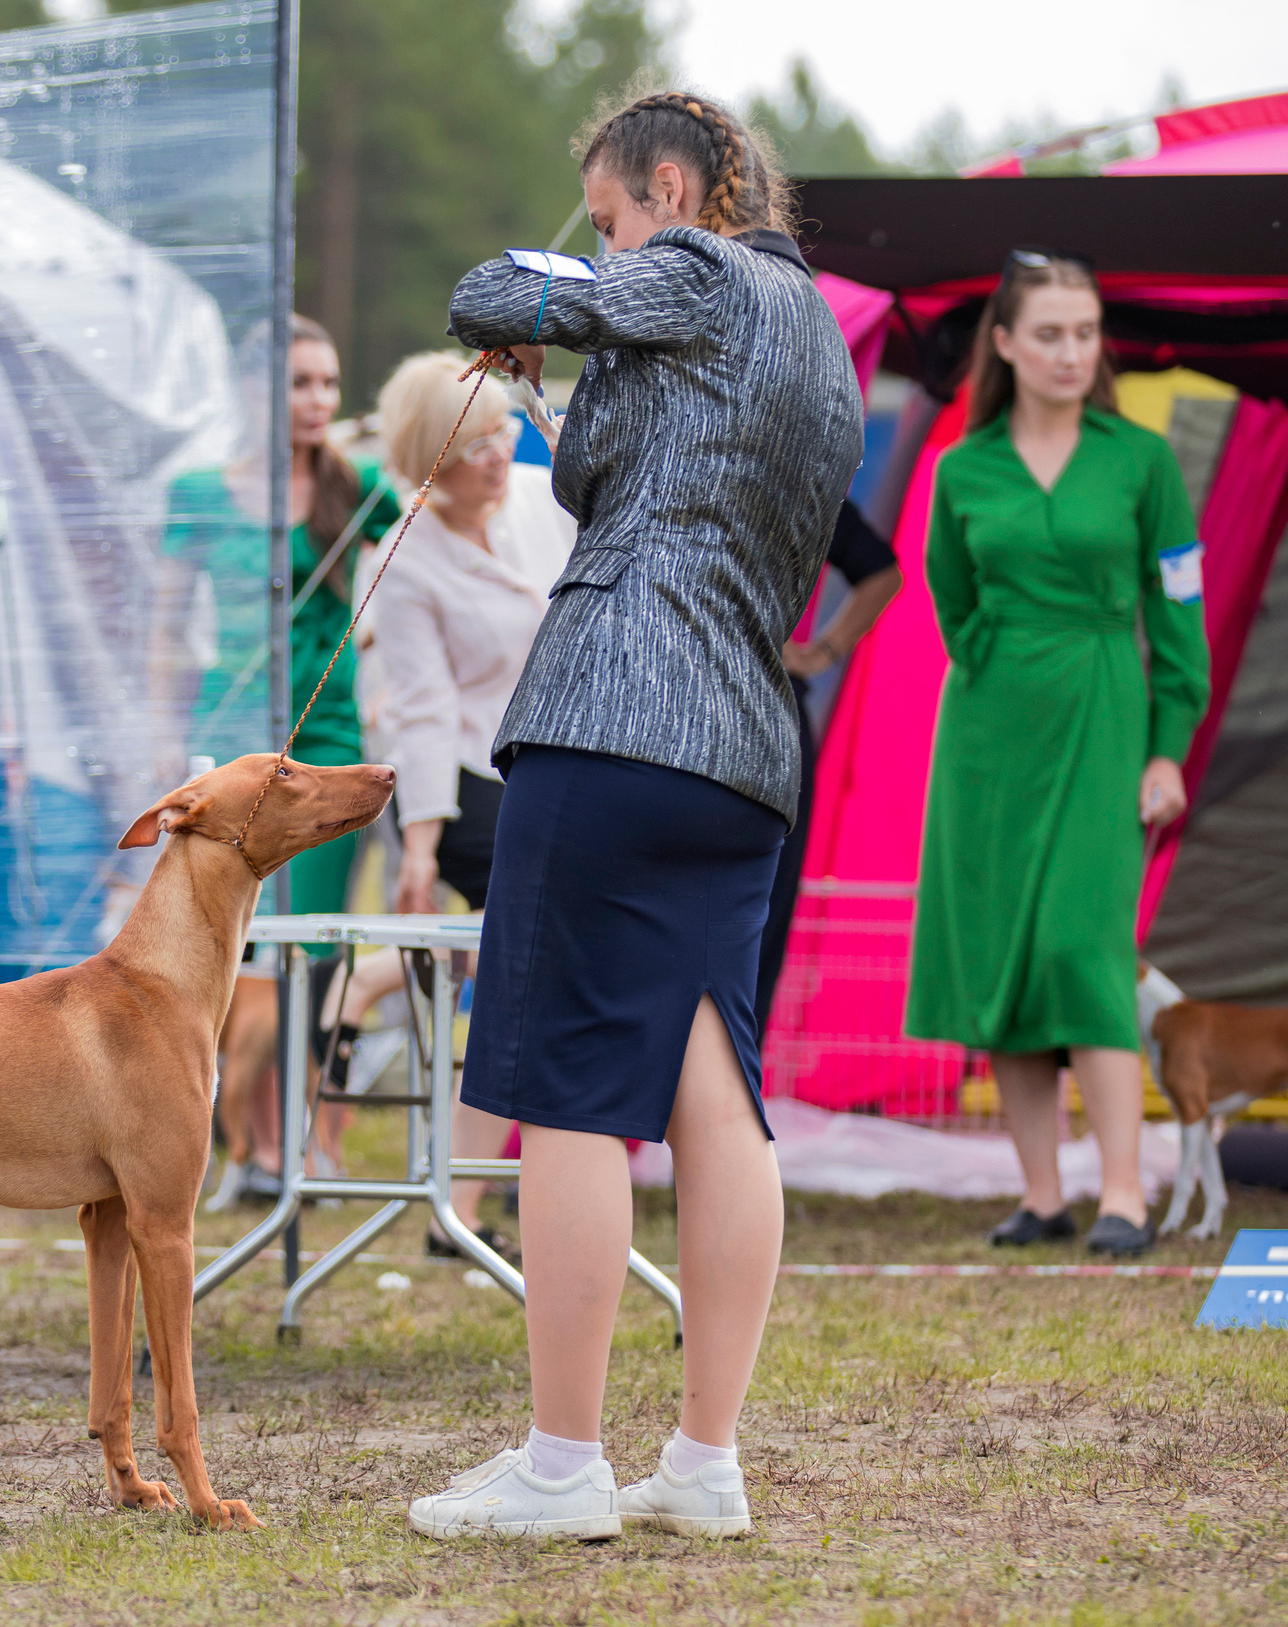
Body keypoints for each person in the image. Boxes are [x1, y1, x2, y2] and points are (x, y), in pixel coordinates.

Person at [406, 89, 863, 1543]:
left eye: (608, 219)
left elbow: (493, 288)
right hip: (743, 743)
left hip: (610, 717)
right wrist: (566, 378)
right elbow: (648, 467)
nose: (605, 246)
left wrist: (547, 299)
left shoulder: (703, 269)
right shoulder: (828, 354)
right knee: (714, 1090)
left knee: (569, 1095)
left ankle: (558, 1466)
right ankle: (704, 1462)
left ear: (671, 187)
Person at [905, 248, 1207, 1258]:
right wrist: (996, 668)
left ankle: (1121, 1193)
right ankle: (1042, 1195)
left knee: (1085, 952)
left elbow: (1181, 614)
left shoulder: (1142, 461)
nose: (1071, 351)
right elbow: (950, 596)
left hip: (1105, 719)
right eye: (1049, 333)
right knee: (1007, 960)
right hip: (986, 735)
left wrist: (1166, 747)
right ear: (1003, 344)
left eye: (1085, 332)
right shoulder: (960, 466)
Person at [157, 316, 400, 1208]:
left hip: (329, 744)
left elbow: (425, 540)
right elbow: (163, 633)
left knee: (310, 948)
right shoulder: (200, 492)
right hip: (232, 747)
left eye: (331, 385)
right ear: (257, 390)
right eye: (302, 383)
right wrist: (159, 740)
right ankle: (247, 1146)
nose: (321, 402)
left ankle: (302, 1148)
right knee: (232, 951)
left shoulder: (358, 485)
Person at [346, 349, 577, 1236]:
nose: (496, 453)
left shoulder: (538, 496)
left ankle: (459, 1200)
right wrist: (419, 848)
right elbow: (425, 710)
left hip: (560, 755)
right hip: (473, 778)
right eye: (472, 442)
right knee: (534, 954)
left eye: (501, 429)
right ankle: (462, 1198)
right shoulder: (400, 557)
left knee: (527, 974)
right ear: (427, 458)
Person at [754, 500, 901, 1039]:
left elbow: (882, 572)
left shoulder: (803, 473)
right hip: (692, 704)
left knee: (760, 916)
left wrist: (823, 651)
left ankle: (728, 1086)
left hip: (769, 710)